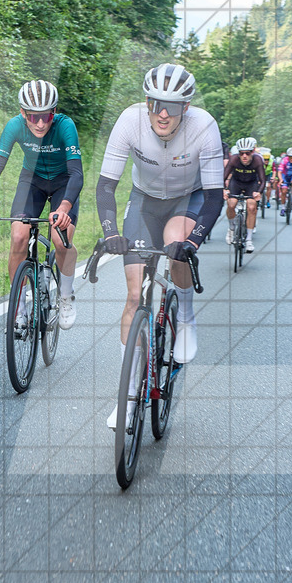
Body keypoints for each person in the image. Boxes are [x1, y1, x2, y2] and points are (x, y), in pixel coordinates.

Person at [95, 63, 224, 428]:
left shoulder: (205, 127)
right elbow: (106, 187)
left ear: (187, 108)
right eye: (156, 104)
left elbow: (215, 197)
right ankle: (129, 393)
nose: (163, 114)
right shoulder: (130, 120)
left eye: (173, 106)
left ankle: (184, 315)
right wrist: (109, 234)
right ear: (146, 102)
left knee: (175, 243)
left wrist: (193, 242)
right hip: (145, 200)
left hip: (189, 199)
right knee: (134, 297)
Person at [0, 80, 82, 330]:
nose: (41, 123)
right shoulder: (14, 126)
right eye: (34, 117)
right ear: (23, 113)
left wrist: (64, 208)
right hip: (32, 180)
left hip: (63, 181)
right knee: (19, 237)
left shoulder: (65, 125)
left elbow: (77, 173)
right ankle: (19, 306)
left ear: (54, 112)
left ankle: (66, 295)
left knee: (60, 238)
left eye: (46, 115)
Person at [223, 136, 265, 252]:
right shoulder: (234, 160)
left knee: (252, 207)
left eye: (247, 153)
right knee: (231, 204)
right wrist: (224, 189)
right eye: (241, 153)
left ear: (252, 152)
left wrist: (259, 192)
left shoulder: (257, 160)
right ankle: (231, 228)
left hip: (251, 184)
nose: (244, 156)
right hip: (236, 183)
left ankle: (249, 240)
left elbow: (263, 180)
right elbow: (224, 177)